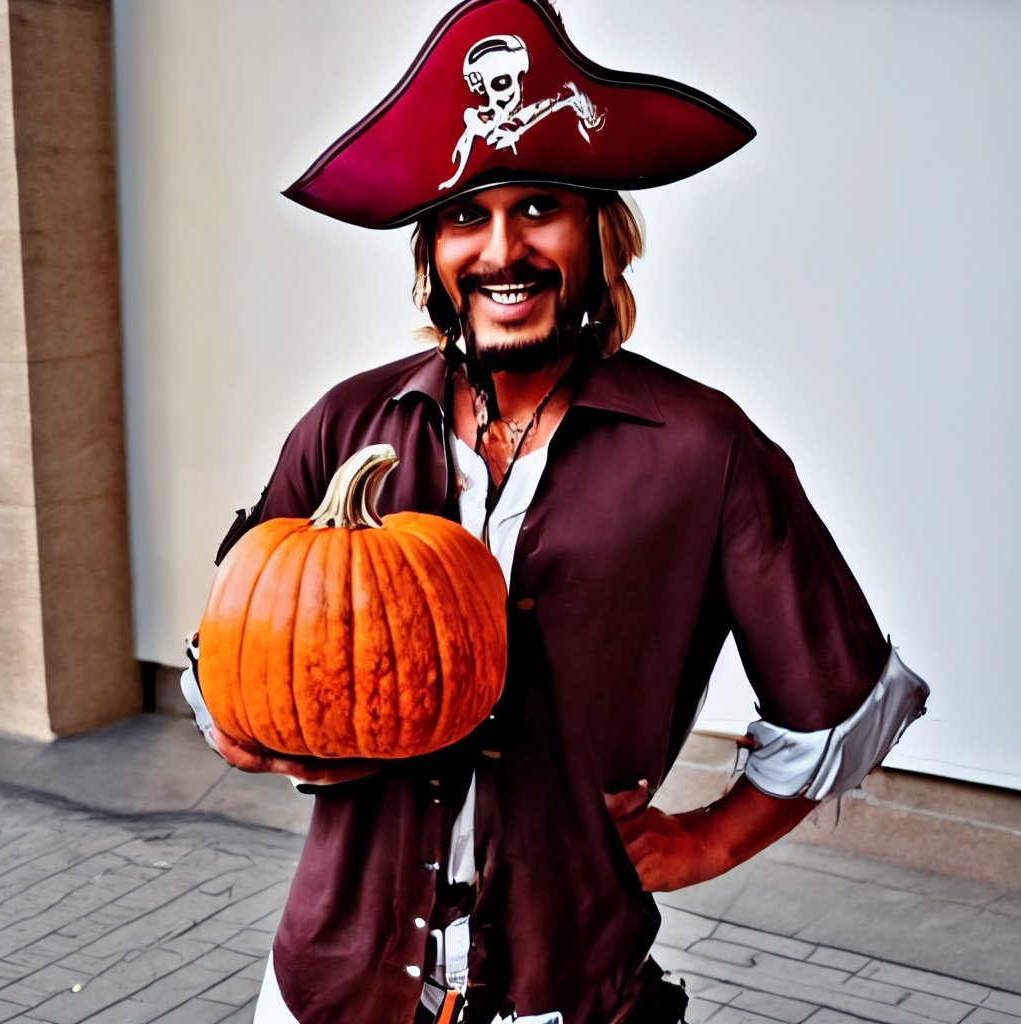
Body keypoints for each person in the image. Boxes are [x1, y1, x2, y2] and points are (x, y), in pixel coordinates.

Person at [182, 2, 929, 1022]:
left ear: (595, 232)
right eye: (465, 215)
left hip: (565, 987)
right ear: (432, 251)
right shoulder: (346, 423)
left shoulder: (703, 449)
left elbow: (837, 697)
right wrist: (253, 723)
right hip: (333, 976)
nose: (502, 249)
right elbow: (229, 652)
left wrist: (708, 839)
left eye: (538, 206)